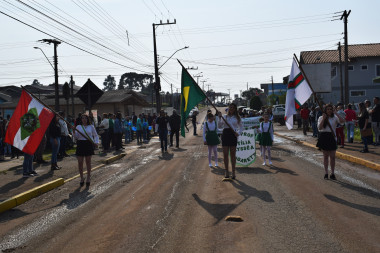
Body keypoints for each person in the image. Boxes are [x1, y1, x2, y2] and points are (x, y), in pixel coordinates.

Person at [316, 104, 345, 180]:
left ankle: (332, 173)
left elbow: (342, 122)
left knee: (332, 157)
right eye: (328, 109)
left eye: (331, 109)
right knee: (325, 156)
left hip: (332, 137)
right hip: (324, 137)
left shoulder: (334, 118)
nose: (329, 110)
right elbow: (319, 128)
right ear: (325, 110)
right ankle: (326, 173)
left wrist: (336, 113)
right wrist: (324, 118)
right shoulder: (321, 117)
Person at [218, 103, 243, 179]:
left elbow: (241, 127)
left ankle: (233, 172)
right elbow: (219, 126)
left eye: (233, 108)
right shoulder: (224, 117)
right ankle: (226, 171)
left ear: (235, 109)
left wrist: (238, 133)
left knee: (232, 154)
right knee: (225, 154)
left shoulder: (237, 118)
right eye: (230, 107)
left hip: (233, 135)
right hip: (225, 134)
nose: (231, 109)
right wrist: (219, 118)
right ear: (228, 108)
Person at [74, 114, 99, 187]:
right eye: (82, 118)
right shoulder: (78, 127)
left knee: (88, 161)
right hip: (80, 144)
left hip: (88, 144)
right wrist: (73, 132)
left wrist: (96, 142)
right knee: (80, 162)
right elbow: (76, 137)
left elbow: (96, 135)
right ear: (81, 119)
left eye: (85, 118)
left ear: (88, 119)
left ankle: (88, 177)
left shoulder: (91, 127)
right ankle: (81, 178)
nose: (84, 119)